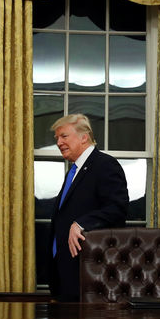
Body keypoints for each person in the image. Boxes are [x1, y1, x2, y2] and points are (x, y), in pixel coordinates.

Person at [48, 114, 129, 301]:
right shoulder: (74, 170)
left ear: (84, 137)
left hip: (88, 270)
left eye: (64, 136)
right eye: (57, 138)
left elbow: (117, 208)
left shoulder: (105, 165)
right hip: (64, 269)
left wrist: (81, 223)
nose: (59, 142)